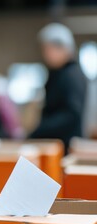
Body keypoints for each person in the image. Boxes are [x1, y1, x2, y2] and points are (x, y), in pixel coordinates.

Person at [29, 22, 87, 155]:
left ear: (63, 48)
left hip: (65, 146)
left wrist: (40, 130)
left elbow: (72, 114)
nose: (46, 54)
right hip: (57, 145)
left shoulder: (71, 75)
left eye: (48, 49)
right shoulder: (59, 73)